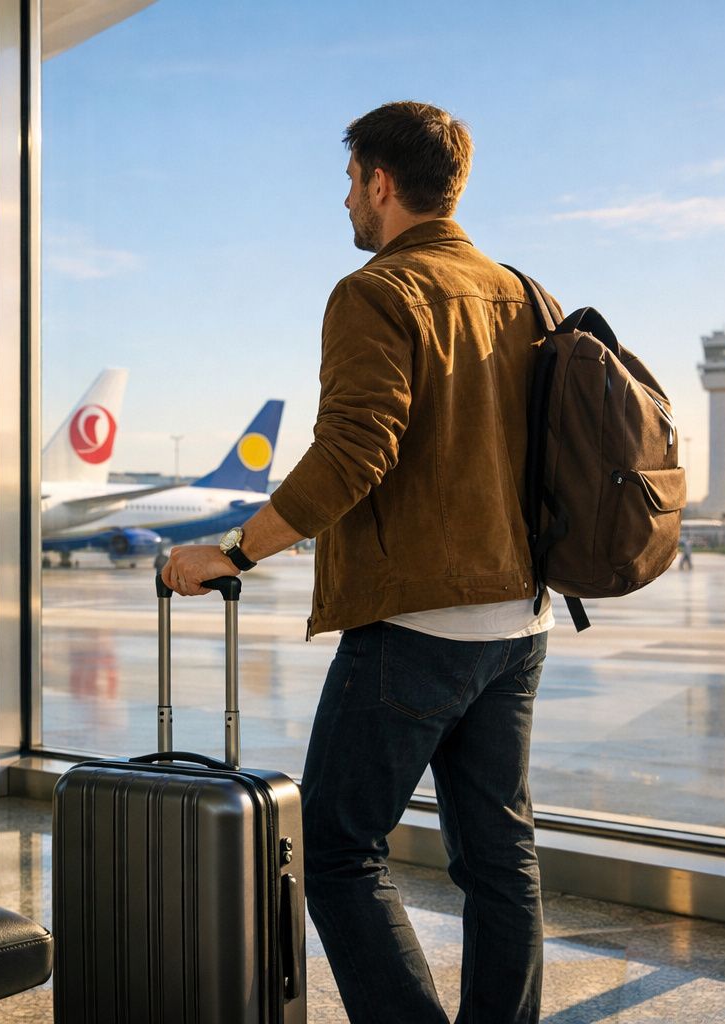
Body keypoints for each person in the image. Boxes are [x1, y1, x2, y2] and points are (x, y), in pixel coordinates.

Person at [162, 101, 555, 1024]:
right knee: (501, 857)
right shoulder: (522, 291)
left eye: (350, 181)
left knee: (336, 849)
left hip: (417, 622)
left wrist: (231, 552)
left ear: (381, 182)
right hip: (520, 621)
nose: (346, 199)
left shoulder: (377, 291)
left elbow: (353, 451)